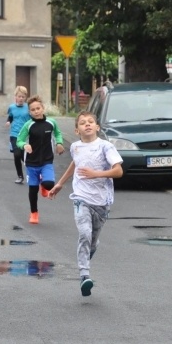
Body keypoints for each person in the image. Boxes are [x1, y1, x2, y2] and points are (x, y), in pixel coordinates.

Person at [49, 111, 123, 297]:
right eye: (82, 123)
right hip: (81, 198)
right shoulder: (75, 147)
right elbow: (75, 163)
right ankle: (84, 276)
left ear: (97, 127)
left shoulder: (106, 147)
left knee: (92, 240)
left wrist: (96, 174)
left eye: (91, 122)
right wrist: (60, 183)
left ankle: (90, 250)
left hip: (102, 203)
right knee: (84, 234)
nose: (87, 124)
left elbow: (118, 171)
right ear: (76, 130)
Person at [15, 95, 64, 225]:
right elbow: (19, 140)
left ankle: (44, 184)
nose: (36, 111)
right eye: (33, 109)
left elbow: (58, 134)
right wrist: (24, 145)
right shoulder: (28, 125)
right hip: (31, 162)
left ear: (43, 108)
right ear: (30, 112)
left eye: (38, 108)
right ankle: (34, 213)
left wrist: (59, 143)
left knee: (49, 184)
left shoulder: (51, 122)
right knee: (32, 190)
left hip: (47, 160)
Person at [5, 86, 31, 184]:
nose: (21, 98)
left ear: (25, 98)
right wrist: (8, 122)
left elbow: (32, 118)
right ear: (15, 97)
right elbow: (10, 117)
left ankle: (31, 169)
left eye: (23, 97)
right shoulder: (11, 107)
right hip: (14, 134)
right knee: (17, 154)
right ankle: (20, 176)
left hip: (25, 135)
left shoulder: (28, 107)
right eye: (19, 96)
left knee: (25, 155)